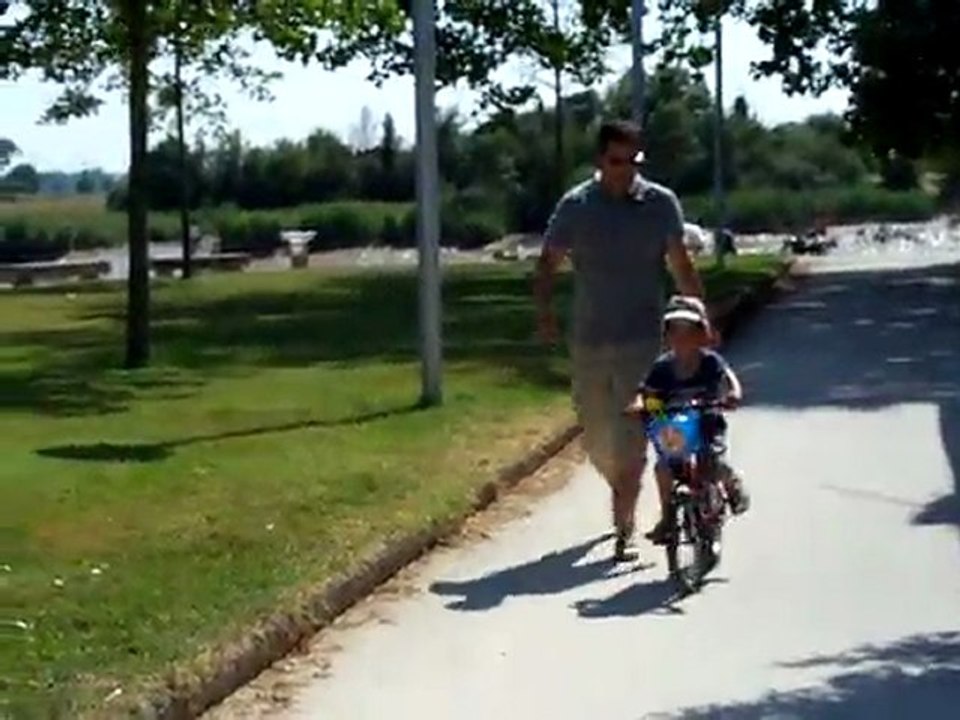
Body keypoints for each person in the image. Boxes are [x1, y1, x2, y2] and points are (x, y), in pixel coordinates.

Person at [534, 119, 705, 561]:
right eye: (617, 161)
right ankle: (624, 487)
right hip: (589, 339)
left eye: (634, 161)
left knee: (633, 436)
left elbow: (681, 265)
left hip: (643, 338)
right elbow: (548, 262)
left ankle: (625, 530)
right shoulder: (576, 205)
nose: (626, 170)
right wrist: (545, 313)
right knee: (596, 438)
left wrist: (699, 318)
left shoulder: (660, 203)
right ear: (599, 160)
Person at [627, 295, 750, 545]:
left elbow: (728, 378)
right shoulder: (662, 367)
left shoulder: (710, 361)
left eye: (689, 332)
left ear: (702, 334)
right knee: (663, 468)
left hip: (707, 421)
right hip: (675, 426)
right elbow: (649, 394)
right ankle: (667, 517)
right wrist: (644, 406)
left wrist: (733, 393)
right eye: (675, 332)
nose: (681, 338)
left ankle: (731, 484)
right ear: (667, 336)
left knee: (713, 462)